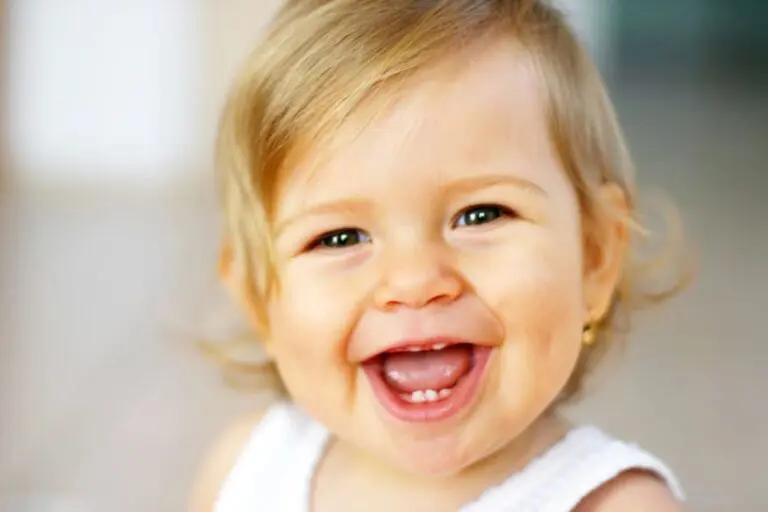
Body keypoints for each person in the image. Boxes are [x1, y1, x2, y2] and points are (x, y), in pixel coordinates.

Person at [192, 1, 690, 510]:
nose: (414, 280)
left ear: (594, 257)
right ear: (258, 300)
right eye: (340, 238)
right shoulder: (246, 469)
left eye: (480, 215)